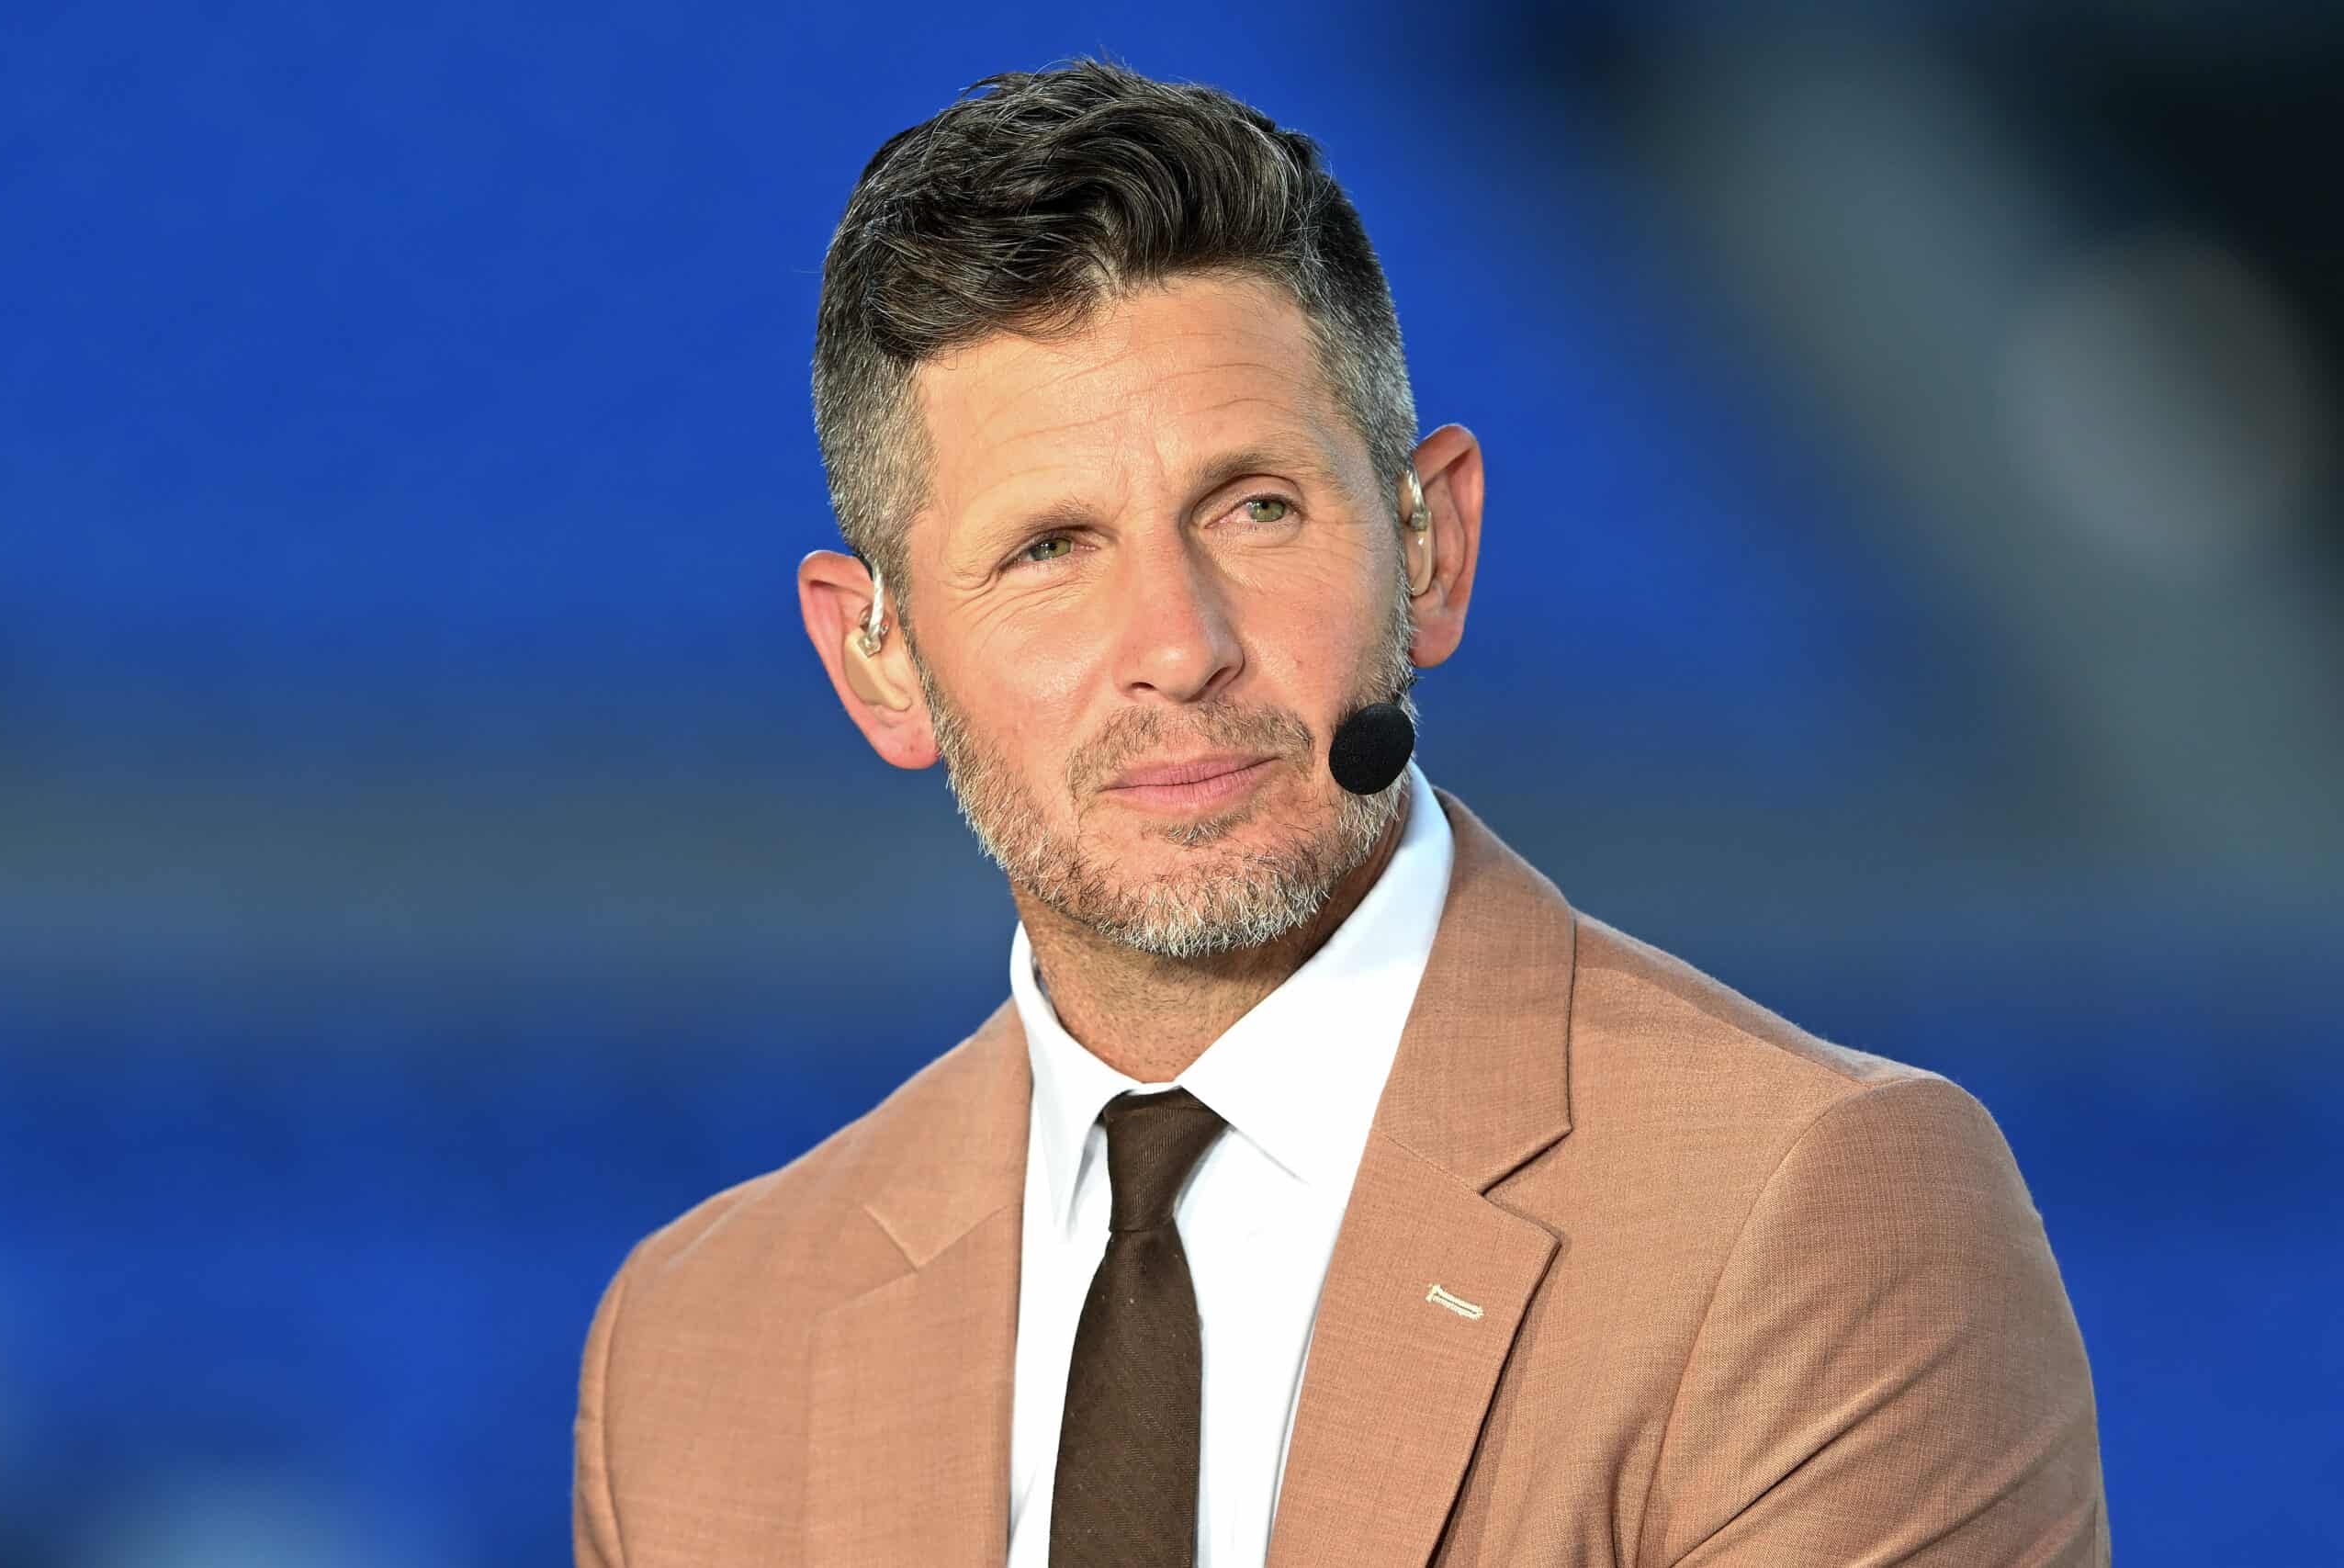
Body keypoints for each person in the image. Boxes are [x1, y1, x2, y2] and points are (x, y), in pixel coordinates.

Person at [570, 59, 2108, 1568]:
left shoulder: (1812, 1212)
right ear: (878, 658)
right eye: (1049, 548)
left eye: (1255, 507)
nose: (1178, 646)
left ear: (1429, 549)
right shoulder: (699, 1346)